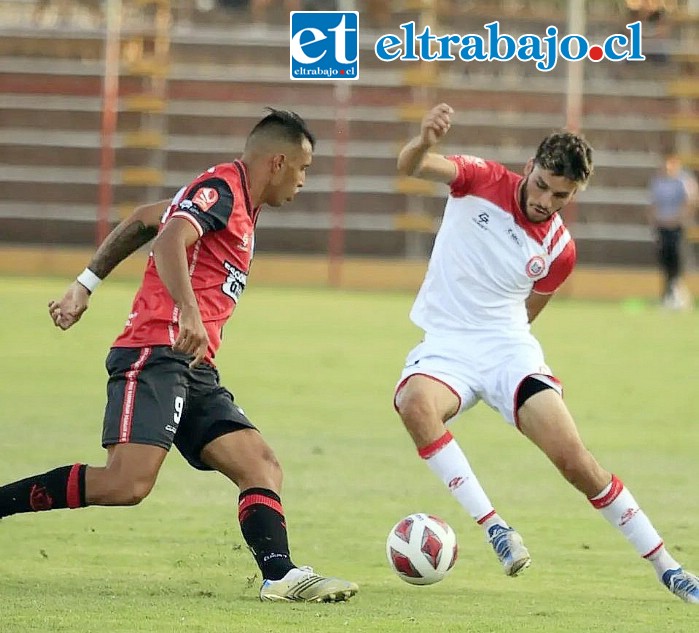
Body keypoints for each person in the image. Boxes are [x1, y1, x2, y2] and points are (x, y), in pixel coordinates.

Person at [0, 108, 358, 604]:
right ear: (277, 162)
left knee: (260, 464)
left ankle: (281, 575)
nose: (304, 180)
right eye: (303, 169)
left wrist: (85, 285)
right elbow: (169, 237)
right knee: (127, 484)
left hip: (194, 365)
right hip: (155, 350)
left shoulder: (236, 204)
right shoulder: (222, 189)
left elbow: (147, 219)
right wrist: (187, 311)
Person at [392, 102, 699, 603]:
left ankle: (670, 567)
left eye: (562, 195)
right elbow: (410, 166)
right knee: (415, 405)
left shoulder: (560, 249)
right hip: (447, 345)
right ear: (531, 167)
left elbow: (530, 308)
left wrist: (514, 362)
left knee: (577, 462)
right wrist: (425, 139)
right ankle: (495, 527)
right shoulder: (478, 178)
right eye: (541, 186)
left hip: (508, 349)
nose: (545, 201)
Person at [648, 152, 698, 310]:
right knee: (665, 260)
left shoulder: (683, 181)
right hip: (662, 226)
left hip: (677, 226)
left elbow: (690, 202)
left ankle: (678, 293)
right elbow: (653, 204)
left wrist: (678, 219)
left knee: (677, 259)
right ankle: (668, 294)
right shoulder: (658, 181)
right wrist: (655, 220)